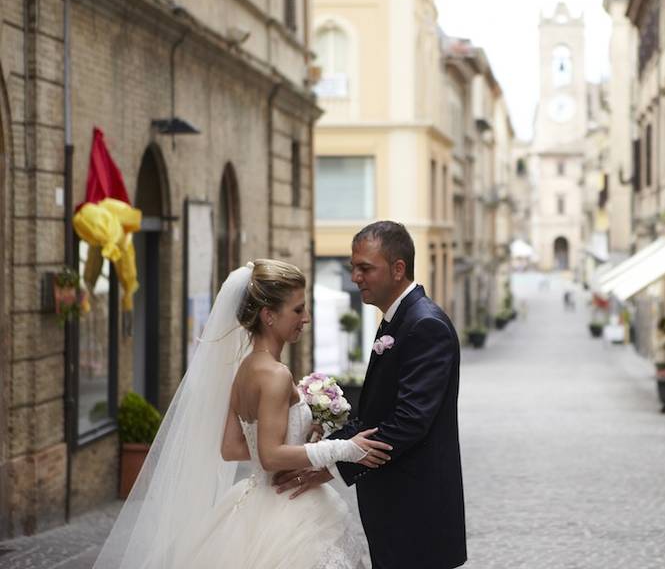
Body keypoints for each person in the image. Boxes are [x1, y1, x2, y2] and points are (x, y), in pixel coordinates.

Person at [93, 259, 392, 569]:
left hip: (253, 502)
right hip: (286, 509)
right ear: (269, 316)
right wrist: (345, 448)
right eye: (298, 310)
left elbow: (231, 448)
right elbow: (270, 457)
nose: (306, 318)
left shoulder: (245, 370)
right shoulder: (275, 375)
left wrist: (303, 432)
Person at [277, 221, 467, 569]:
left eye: (365, 268)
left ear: (398, 269)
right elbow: (377, 414)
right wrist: (326, 452)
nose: (355, 277)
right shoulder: (397, 320)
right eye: (353, 268)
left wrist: (332, 463)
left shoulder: (425, 325)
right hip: (396, 508)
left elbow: (408, 422)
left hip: (416, 511)